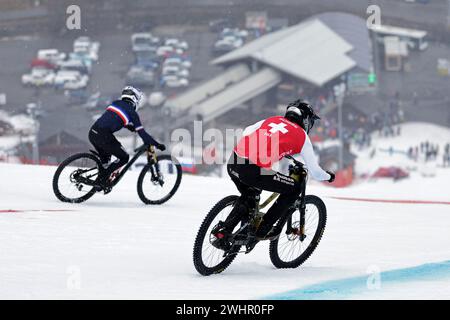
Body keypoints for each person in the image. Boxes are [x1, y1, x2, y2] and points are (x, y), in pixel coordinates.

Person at [214, 100, 335, 248]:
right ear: (305, 119)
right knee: (294, 189)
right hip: (253, 170)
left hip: (234, 160)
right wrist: (329, 176)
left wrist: (274, 146)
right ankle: (263, 229)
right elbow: (316, 172)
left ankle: (225, 231)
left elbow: (247, 131)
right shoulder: (302, 136)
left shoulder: (272, 120)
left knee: (249, 196)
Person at [88, 86, 165, 190]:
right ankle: (101, 180)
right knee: (124, 157)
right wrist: (157, 144)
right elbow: (143, 136)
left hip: (93, 132)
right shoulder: (132, 113)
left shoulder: (115, 103)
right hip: (104, 136)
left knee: (106, 160)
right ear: (134, 99)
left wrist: (128, 126)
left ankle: (100, 181)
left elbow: (113, 118)